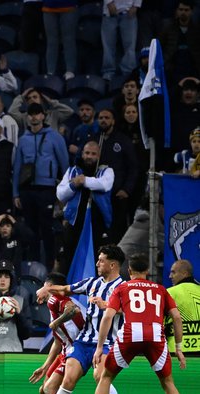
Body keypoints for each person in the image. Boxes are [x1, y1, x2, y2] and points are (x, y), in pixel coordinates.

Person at [90, 253, 187, 394]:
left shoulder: (122, 288)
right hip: (155, 336)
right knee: (167, 382)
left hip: (130, 335)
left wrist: (99, 347)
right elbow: (176, 317)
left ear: (129, 270)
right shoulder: (160, 289)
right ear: (148, 271)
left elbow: (108, 316)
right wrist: (179, 348)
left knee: (106, 377)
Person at [35, 244, 127, 394]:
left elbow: (129, 311)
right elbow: (65, 290)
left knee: (100, 377)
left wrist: (107, 306)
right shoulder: (92, 283)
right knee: (68, 380)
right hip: (84, 341)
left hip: (108, 342)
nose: (97, 263)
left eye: (101, 260)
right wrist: (48, 289)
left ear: (112, 265)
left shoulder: (123, 288)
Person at [13, 102, 69, 269]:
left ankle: (51, 265)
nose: (34, 117)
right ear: (27, 117)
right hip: (27, 189)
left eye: (37, 113)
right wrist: (15, 193)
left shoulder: (55, 137)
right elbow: (17, 167)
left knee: (47, 228)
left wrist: (66, 193)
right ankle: (34, 265)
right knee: (30, 230)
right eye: (31, 114)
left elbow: (65, 165)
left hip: (47, 188)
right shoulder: (23, 139)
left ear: (43, 115)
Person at [28, 272, 84, 394]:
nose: (39, 290)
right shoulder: (51, 303)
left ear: (50, 287)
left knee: (49, 389)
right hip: (66, 350)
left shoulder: (55, 299)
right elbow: (58, 341)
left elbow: (74, 310)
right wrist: (45, 366)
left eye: (43, 286)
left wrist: (56, 322)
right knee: (43, 391)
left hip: (76, 350)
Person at [56, 141, 114, 275]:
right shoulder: (72, 171)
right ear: (82, 154)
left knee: (99, 258)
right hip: (75, 221)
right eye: (87, 153)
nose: (89, 156)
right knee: (68, 256)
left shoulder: (106, 171)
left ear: (99, 155)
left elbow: (105, 185)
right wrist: (73, 185)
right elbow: (60, 194)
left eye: (93, 154)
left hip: (98, 223)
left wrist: (84, 181)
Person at [91, 108, 138, 243]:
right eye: (101, 118)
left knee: (116, 233)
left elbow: (133, 167)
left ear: (113, 121)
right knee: (97, 233)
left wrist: (126, 189)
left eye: (107, 118)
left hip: (117, 195)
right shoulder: (94, 140)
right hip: (97, 196)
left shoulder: (123, 140)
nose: (103, 121)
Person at [159, 0, 200, 84]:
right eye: (181, 10)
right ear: (176, 11)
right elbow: (160, 46)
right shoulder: (168, 27)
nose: (183, 12)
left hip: (193, 66)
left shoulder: (197, 29)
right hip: (172, 66)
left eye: (186, 10)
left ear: (191, 11)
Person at [8, 87, 74, 136]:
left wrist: (51, 102)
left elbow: (69, 111)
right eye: (29, 98)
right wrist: (21, 97)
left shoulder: (53, 115)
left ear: (41, 100)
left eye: (35, 97)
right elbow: (11, 111)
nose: (32, 100)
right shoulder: (25, 117)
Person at [100, 0, 139, 81]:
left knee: (130, 46)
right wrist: (109, 2)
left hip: (129, 10)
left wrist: (136, 5)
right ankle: (108, 72)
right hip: (109, 12)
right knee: (108, 46)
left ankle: (129, 72)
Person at [167, 259, 200, 354]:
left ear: (185, 273)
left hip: (176, 350)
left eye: (173, 272)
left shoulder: (169, 293)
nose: (170, 276)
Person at [42, 0, 78, 79]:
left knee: (69, 40)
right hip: (48, 7)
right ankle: (50, 71)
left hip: (68, 6)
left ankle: (70, 70)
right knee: (51, 41)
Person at [67, 98, 98, 164]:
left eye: (88, 109)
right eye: (82, 110)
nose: (84, 112)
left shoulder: (98, 128)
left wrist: (79, 151)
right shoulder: (76, 129)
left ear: (94, 112)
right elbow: (72, 148)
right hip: (78, 164)